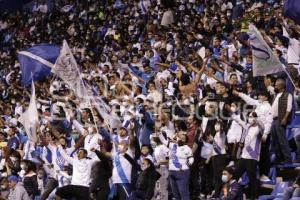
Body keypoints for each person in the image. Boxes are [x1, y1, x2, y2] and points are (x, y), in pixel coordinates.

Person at [233, 112, 263, 200]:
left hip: (252, 156)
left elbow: (262, 126)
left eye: (252, 117)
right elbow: (238, 120)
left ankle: (254, 197)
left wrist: (257, 119)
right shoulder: (247, 127)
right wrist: (231, 112)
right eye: (249, 117)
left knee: (252, 179)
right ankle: (235, 195)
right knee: (235, 175)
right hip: (244, 156)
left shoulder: (259, 128)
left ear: (256, 118)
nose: (250, 118)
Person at [159, 132, 194, 200]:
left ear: (186, 141)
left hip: (182, 173)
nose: (181, 139)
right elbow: (163, 141)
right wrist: (159, 132)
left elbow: (191, 158)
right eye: (180, 137)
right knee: (176, 195)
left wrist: (190, 163)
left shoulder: (187, 148)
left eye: (183, 139)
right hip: (172, 173)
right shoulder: (173, 145)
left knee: (183, 194)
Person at [270, 78, 293, 163]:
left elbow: (289, 108)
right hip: (273, 120)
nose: (275, 85)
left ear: (282, 85)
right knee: (275, 141)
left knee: (282, 140)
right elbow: (268, 85)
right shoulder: (276, 94)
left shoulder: (288, 95)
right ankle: (279, 158)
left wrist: (285, 118)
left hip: (280, 119)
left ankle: (288, 159)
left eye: (276, 84)